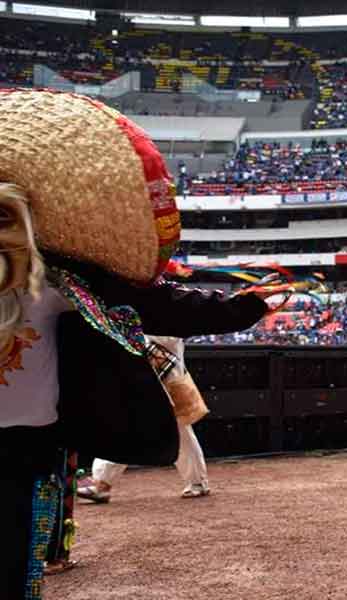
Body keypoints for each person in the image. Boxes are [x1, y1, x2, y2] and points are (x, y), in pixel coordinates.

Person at [0, 89, 276, 599]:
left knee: (18, 565)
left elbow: (154, 302)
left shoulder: (53, 283)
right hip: (30, 443)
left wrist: (243, 307)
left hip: (27, 447)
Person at [78, 336, 212, 502]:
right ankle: (102, 482)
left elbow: (171, 335)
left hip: (165, 371)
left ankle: (197, 482)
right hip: (137, 369)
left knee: (178, 428)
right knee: (128, 423)